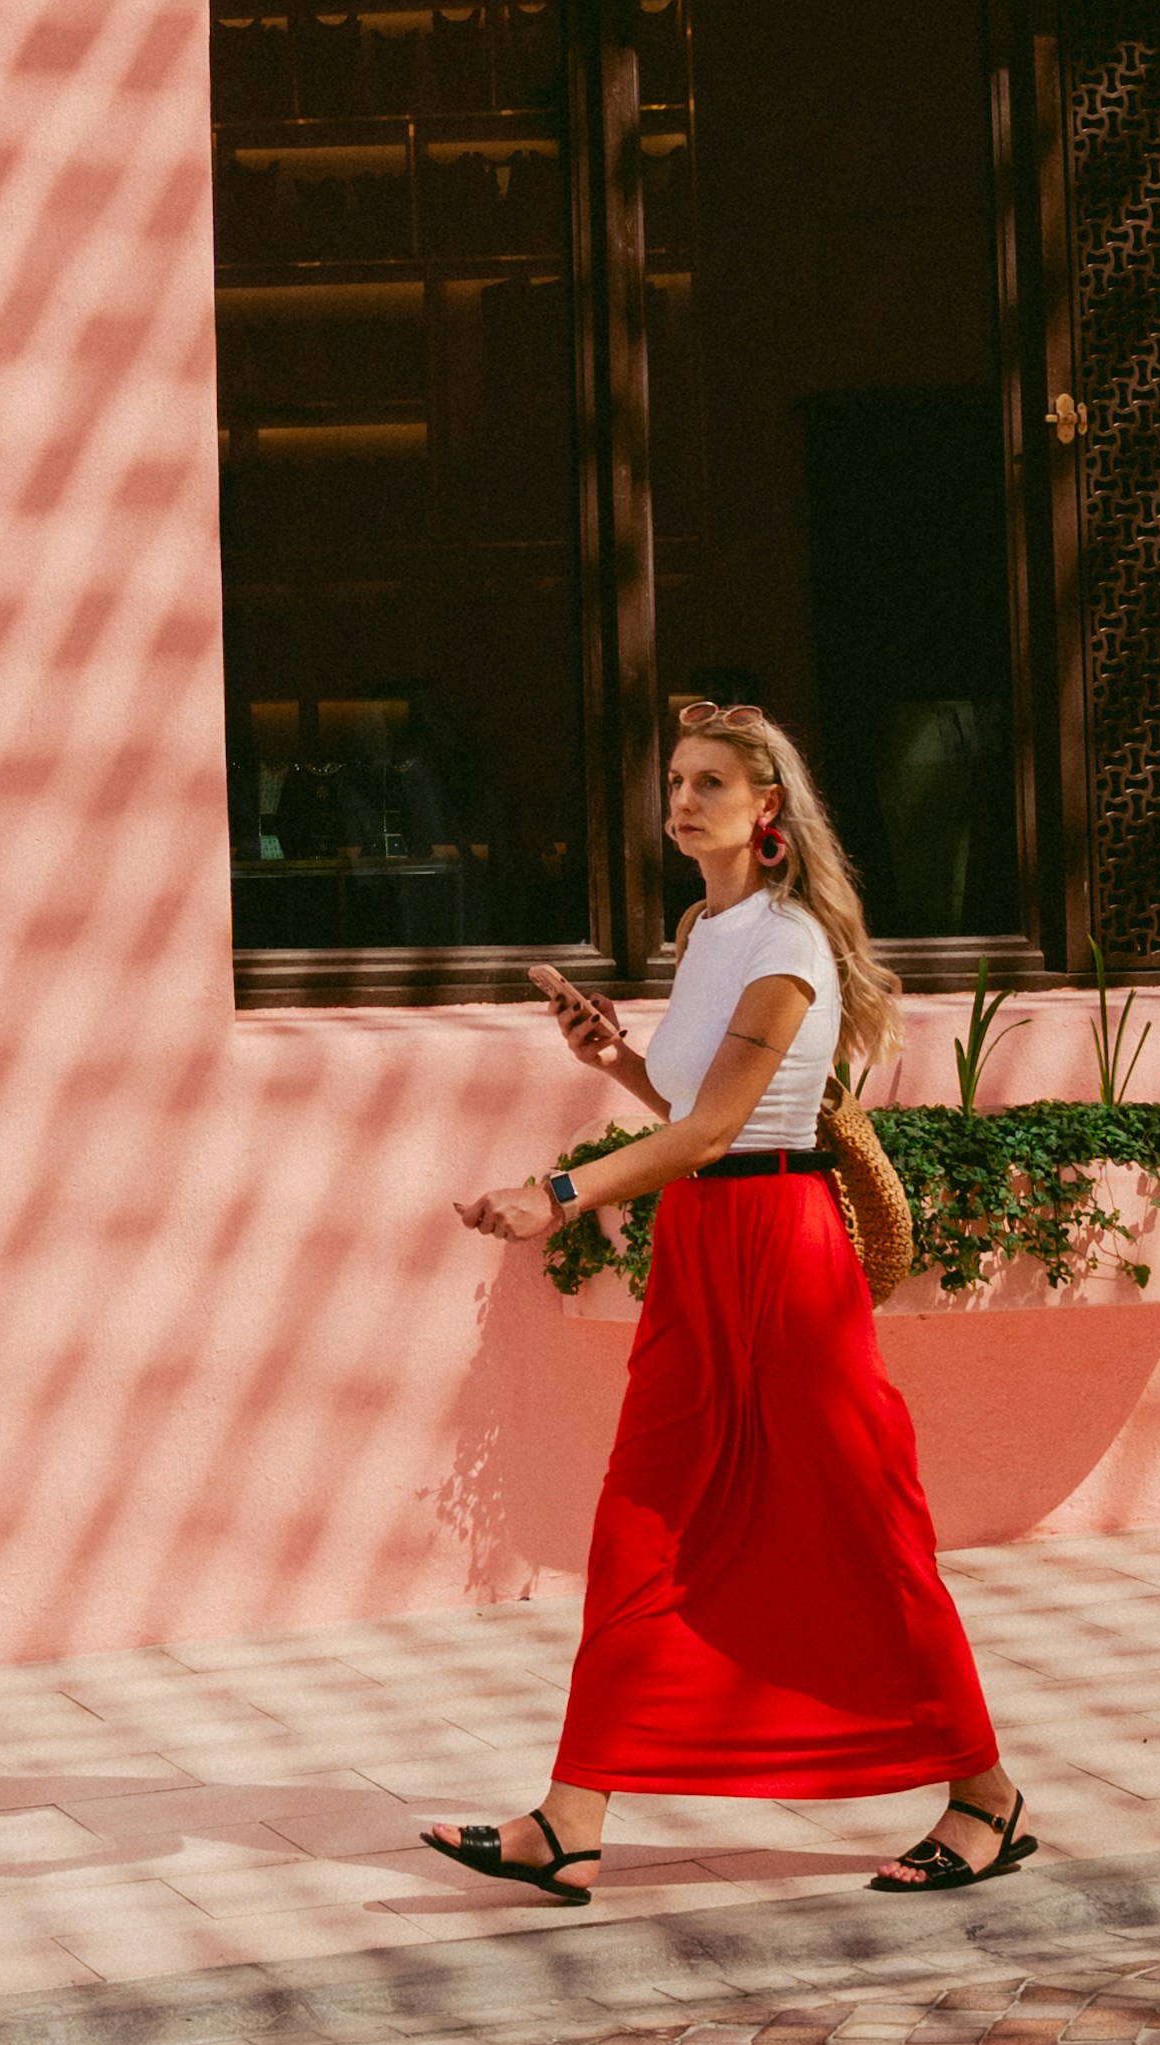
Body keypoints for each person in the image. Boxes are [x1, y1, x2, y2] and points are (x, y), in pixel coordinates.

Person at [421, 699, 1030, 1906]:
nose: (683, 797)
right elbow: (688, 1111)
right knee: (638, 1512)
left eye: (711, 782)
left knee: (866, 1516)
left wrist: (559, 1191)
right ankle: (572, 1815)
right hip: (703, 1245)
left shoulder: (788, 945)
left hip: (785, 1251)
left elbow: (718, 1130)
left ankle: (988, 1797)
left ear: (769, 815)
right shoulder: (704, 933)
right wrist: (613, 1059)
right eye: (678, 778)